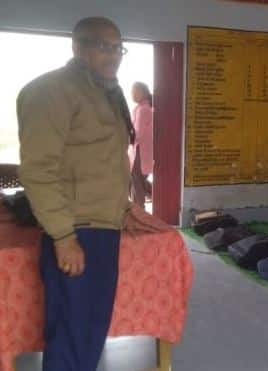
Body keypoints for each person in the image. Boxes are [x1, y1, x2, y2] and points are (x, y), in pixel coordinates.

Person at [16, 17, 167, 371]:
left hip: (103, 228)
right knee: (73, 334)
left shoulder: (106, 93)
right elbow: (38, 170)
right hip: (76, 230)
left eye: (118, 47)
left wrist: (124, 208)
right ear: (77, 46)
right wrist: (64, 236)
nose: (114, 55)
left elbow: (101, 163)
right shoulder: (52, 91)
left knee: (89, 330)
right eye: (104, 46)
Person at [129, 81, 153, 206]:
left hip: (140, 152)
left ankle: (139, 213)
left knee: (136, 182)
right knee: (137, 182)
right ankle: (137, 211)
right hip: (141, 152)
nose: (132, 94)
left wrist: (124, 139)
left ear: (142, 93)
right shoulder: (144, 108)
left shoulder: (143, 110)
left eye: (134, 91)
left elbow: (137, 133)